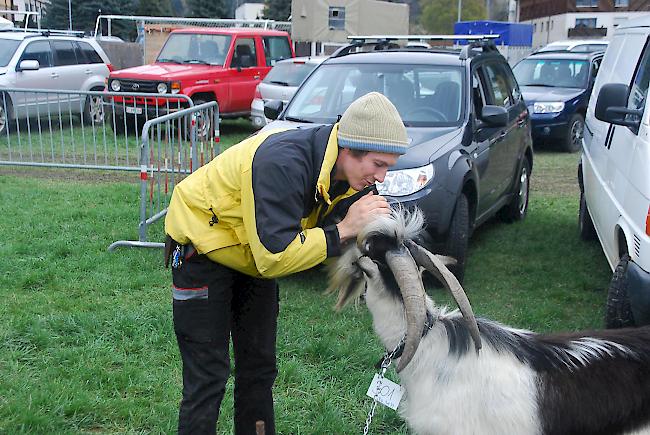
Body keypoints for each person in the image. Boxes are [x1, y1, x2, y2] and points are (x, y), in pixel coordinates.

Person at [164, 92, 409, 435]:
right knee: (208, 374)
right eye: (378, 164)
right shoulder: (283, 162)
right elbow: (275, 256)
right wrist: (343, 230)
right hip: (201, 248)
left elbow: (354, 235)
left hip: (250, 251)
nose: (381, 178)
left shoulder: (349, 176)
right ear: (349, 147)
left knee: (259, 368)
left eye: (388, 167)